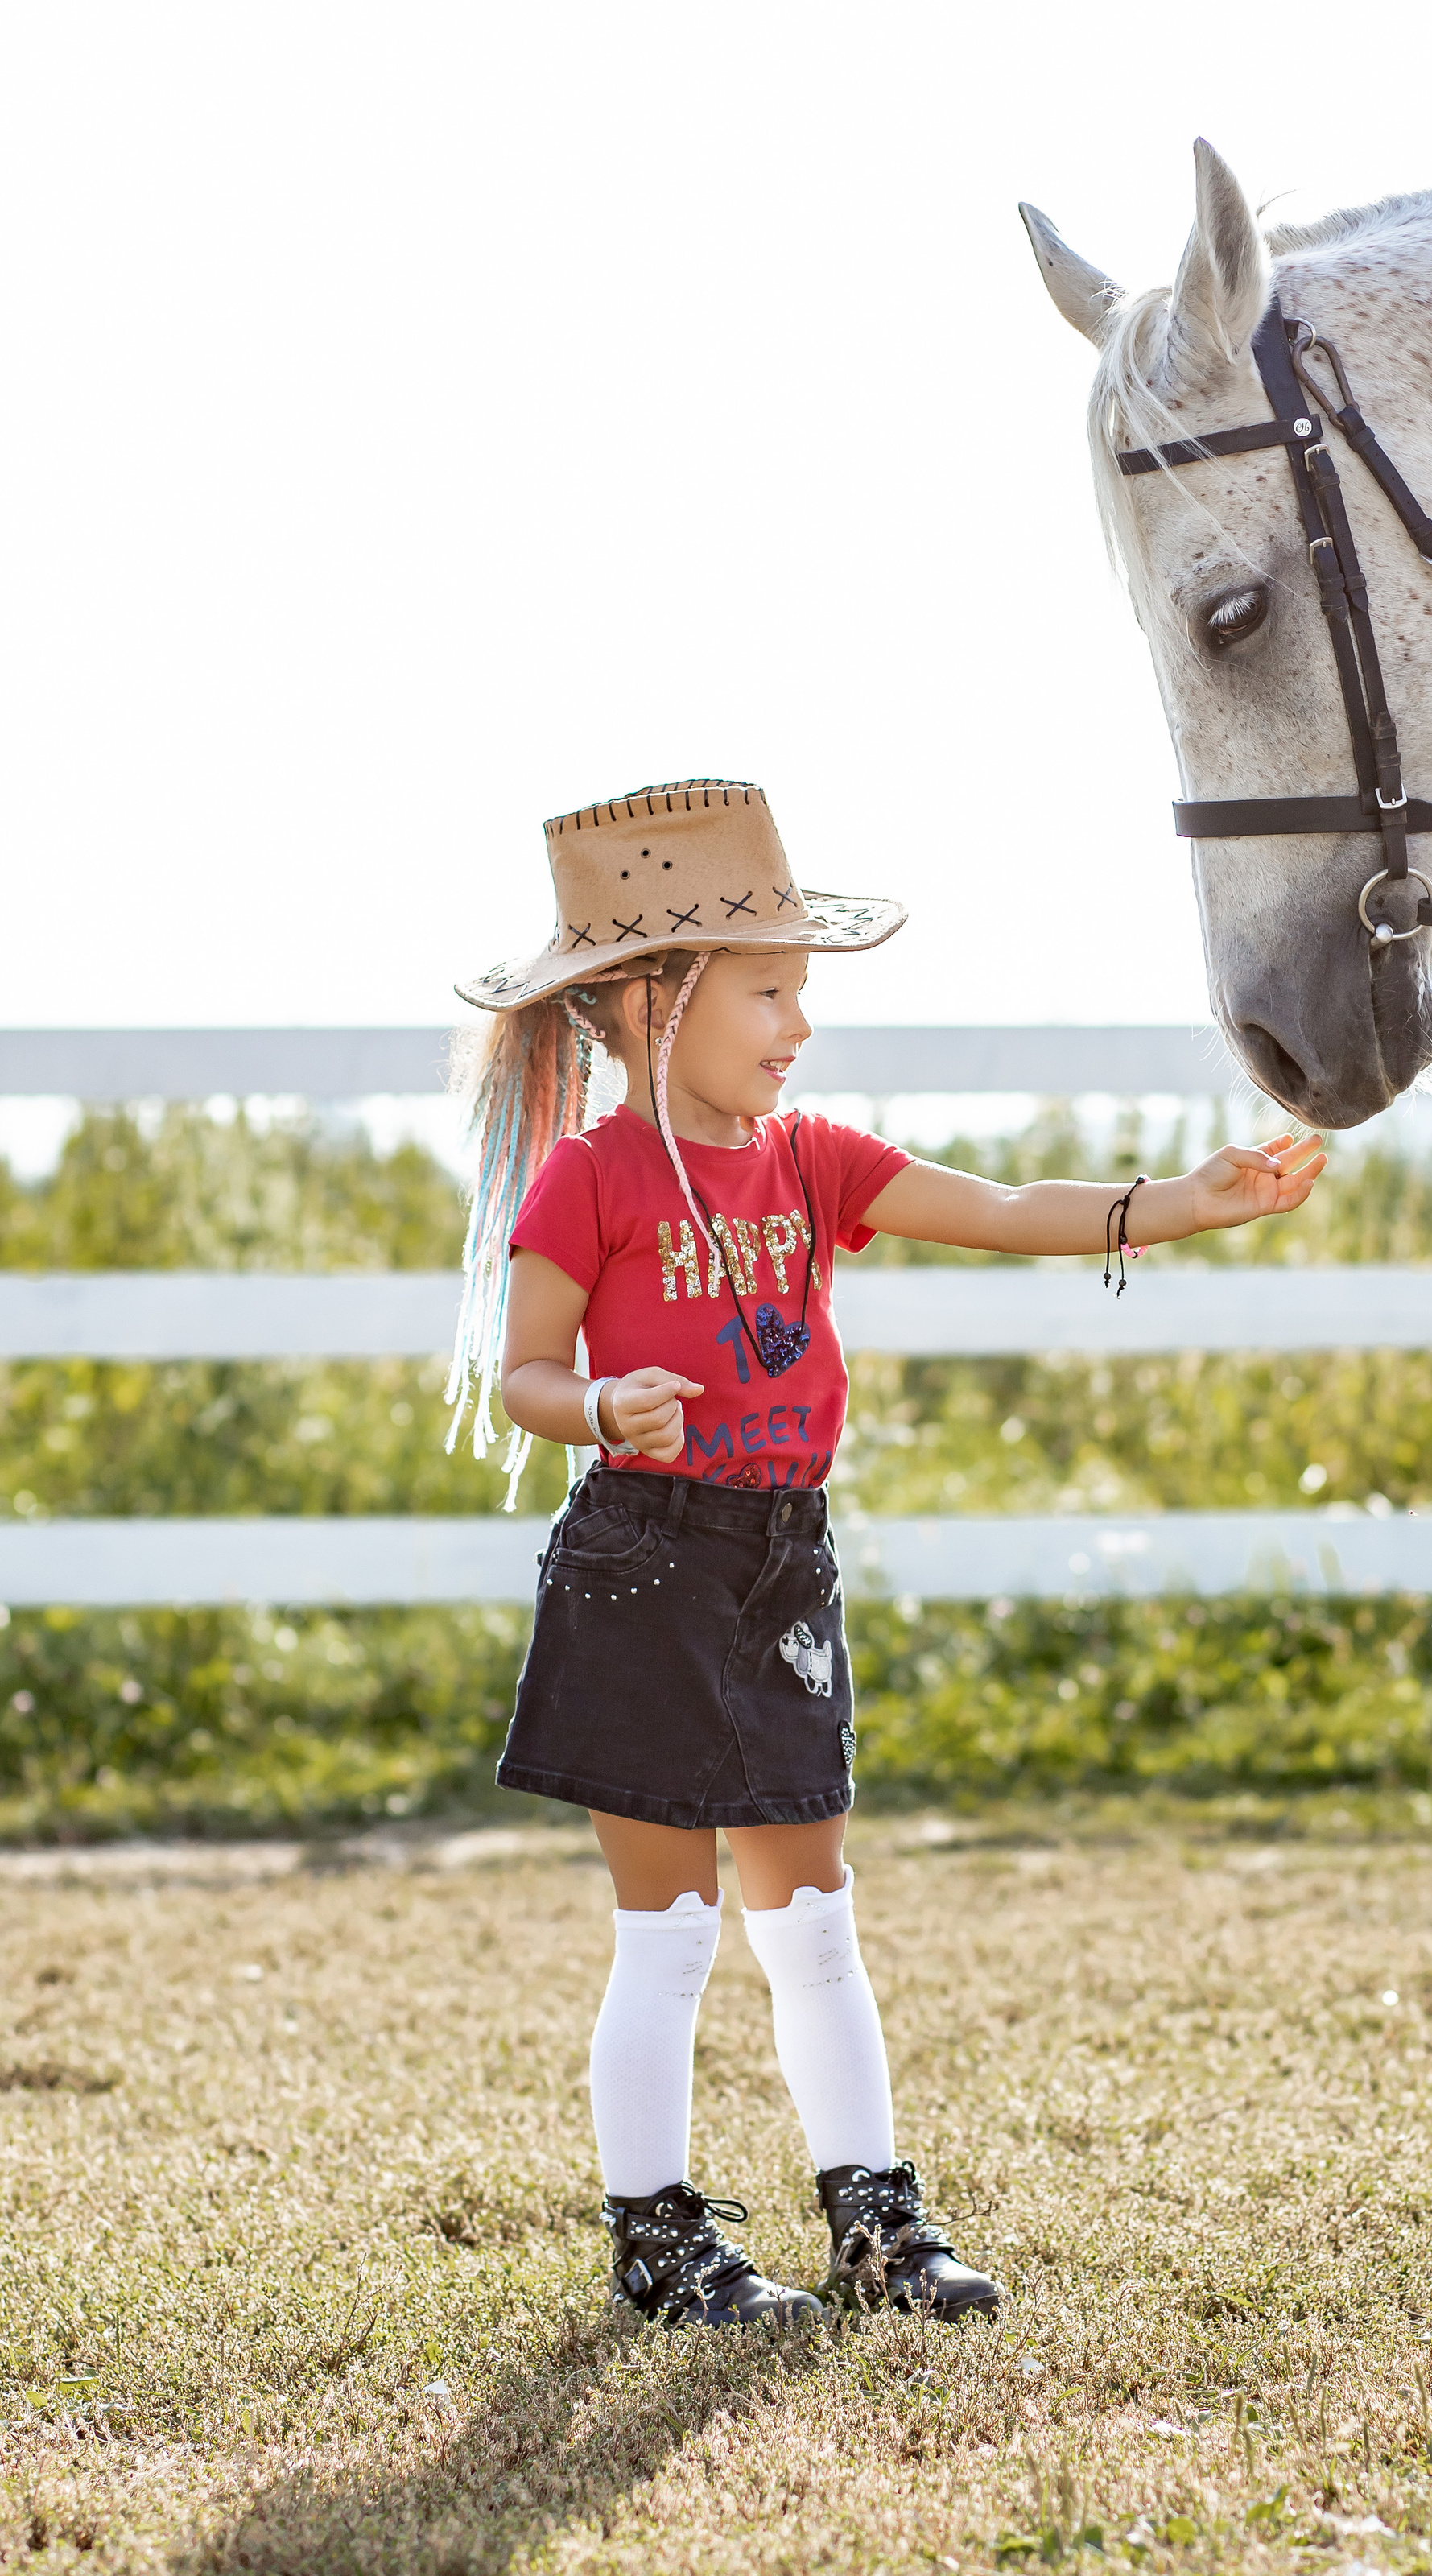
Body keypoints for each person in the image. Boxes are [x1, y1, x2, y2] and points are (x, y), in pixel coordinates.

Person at [448, 778, 1325, 2330]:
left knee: (815, 1918)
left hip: (783, 1559)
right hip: (644, 1562)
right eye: (770, 989)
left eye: (802, 990)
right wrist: (594, 1405)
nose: (798, 1022)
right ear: (656, 1003)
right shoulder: (592, 1179)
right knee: (666, 1934)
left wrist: (1182, 1202)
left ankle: (874, 2226)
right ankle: (659, 2246)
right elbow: (519, 1376)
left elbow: (995, 1207)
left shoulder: (810, 1159)